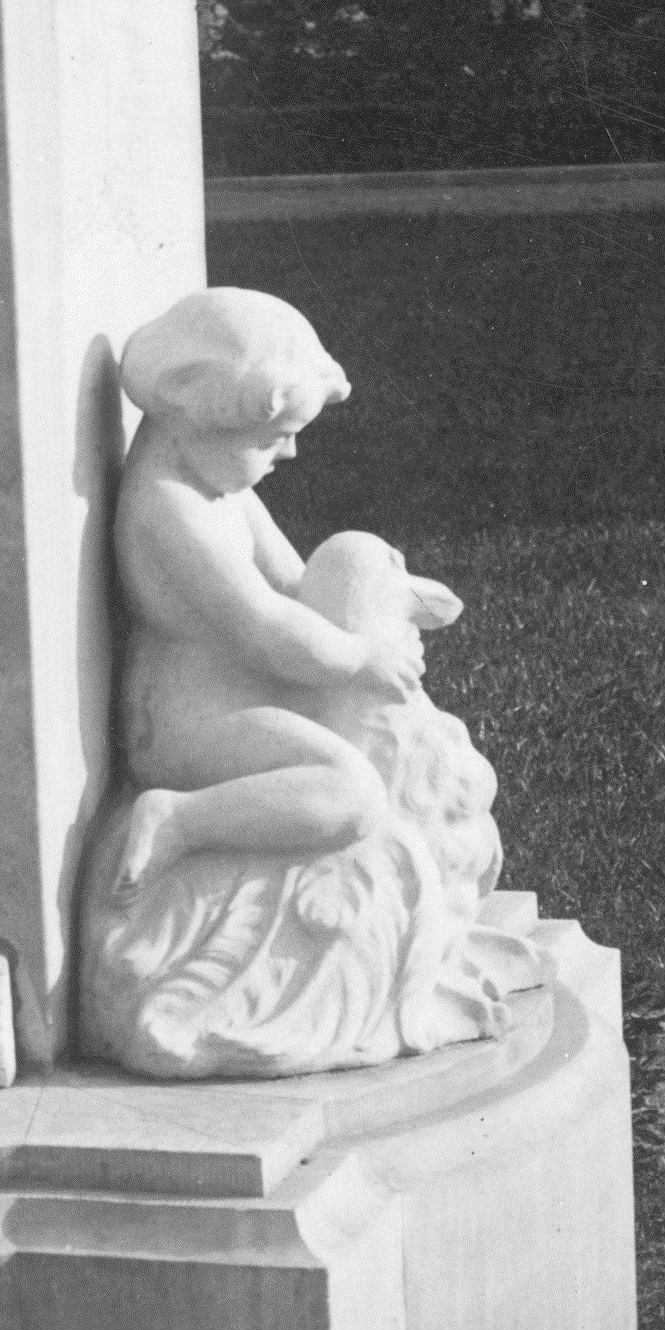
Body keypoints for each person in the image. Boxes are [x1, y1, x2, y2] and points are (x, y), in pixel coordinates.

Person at [107, 289, 461, 899]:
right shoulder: (167, 510)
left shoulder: (222, 491)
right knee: (350, 792)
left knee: (355, 556)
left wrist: (373, 608)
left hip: (250, 697)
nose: (290, 452)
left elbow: (294, 585)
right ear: (208, 420)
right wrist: (362, 657)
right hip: (186, 727)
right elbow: (265, 625)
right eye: (273, 437)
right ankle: (178, 822)